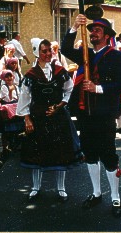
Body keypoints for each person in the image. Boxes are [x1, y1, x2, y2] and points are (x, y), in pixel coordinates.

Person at [61, 15, 121, 218]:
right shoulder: (86, 54)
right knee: (90, 154)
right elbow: (65, 49)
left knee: (108, 156)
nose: (93, 32)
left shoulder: (117, 56)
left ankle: (115, 198)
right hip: (86, 113)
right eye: (91, 30)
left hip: (105, 113)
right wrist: (74, 26)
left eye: (98, 30)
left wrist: (98, 88)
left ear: (107, 35)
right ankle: (96, 193)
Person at [17, 38, 82, 203]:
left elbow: (69, 88)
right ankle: (35, 187)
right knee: (37, 153)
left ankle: (61, 187)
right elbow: (24, 98)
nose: (47, 54)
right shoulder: (31, 75)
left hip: (58, 117)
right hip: (38, 117)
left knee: (61, 153)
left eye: (49, 51)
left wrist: (60, 105)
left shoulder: (60, 70)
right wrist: (27, 119)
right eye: (43, 51)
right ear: (36, 52)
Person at [0, 69, 23, 153]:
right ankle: (5, 147)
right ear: (3, 78)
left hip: (15, 109)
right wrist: (10, 91)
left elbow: (18, 97)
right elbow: (8, 99)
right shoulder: (3, 87)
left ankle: (14, 144)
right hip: (7, 109)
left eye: (10, 76)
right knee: (5, 130)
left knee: (16, 127)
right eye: (7, 77)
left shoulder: (16, 86)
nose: (9, 78)